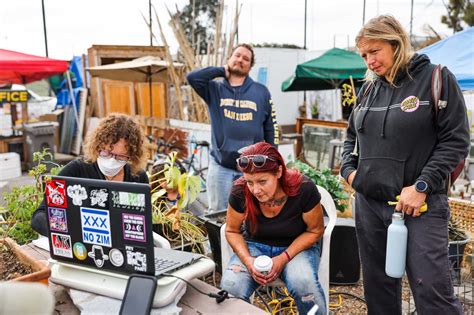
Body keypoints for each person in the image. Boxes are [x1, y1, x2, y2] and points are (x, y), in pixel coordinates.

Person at [340, 15, 469, 314]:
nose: (369, 61)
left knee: (433, 293)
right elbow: (350, 138)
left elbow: (456, 141)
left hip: (419, 207)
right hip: (370, 206)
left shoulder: (435, 79)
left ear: (396, 43)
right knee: (379, 293)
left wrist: (421, 186)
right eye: (364, 55)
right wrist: (350, 174)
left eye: (375, 51)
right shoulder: (369, 91)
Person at [220, 142, 326, 314]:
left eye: (262, 181)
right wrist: (248, 260)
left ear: (278, 172)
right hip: (254, 246)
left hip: (296, 248)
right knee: (231, 287)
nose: (256, 190)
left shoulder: (303, 189)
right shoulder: (240, 191)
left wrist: (283, 258)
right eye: (250, 182)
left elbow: (315, 230)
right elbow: (232, 230)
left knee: (303, 283)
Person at [186, 44, 279, 213]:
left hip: (252, 171)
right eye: (237, 55)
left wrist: (274, 160)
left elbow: (272, 128)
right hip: (220, 168)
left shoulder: (261, 92)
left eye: (246, 59)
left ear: (250, 66)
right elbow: (193, 77)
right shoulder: (214, 89)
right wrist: (222, 70)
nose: (240, 60)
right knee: (218, 215)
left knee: (252, 214)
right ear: (229, 59)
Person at [31, 114, 149, 236]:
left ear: (132, 155)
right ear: (97, 146)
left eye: (121, 156)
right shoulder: (76, 170)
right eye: (106, 152)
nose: (112, 160)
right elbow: (39, 217)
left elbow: (144, 222)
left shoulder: (138, 177)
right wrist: (74, 232)